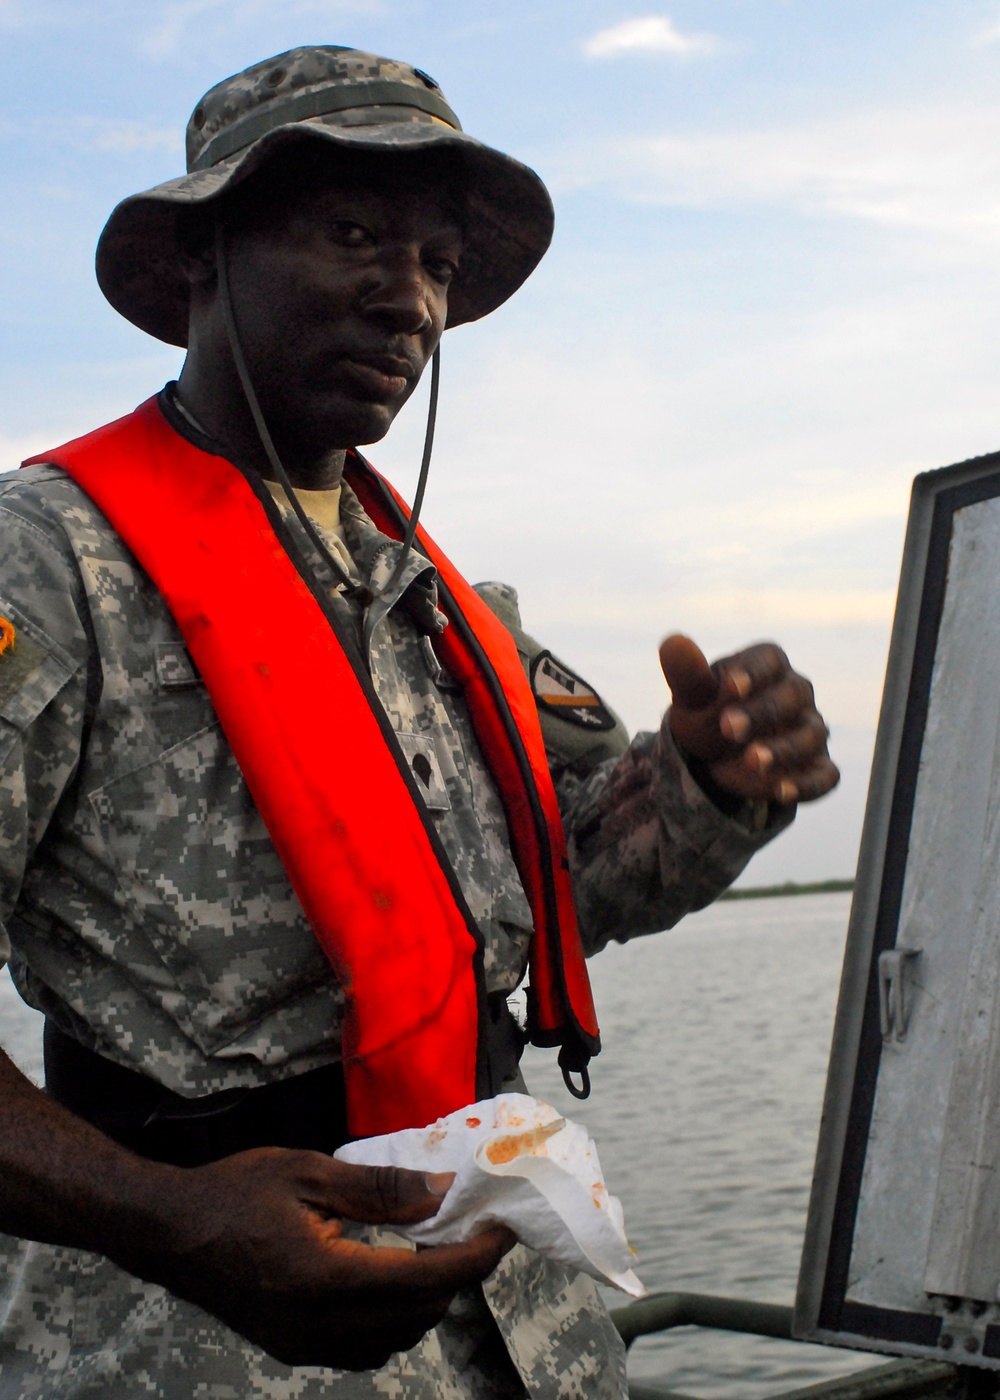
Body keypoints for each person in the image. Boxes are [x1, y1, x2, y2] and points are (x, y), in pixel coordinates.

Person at [0, 45, 838, 1400]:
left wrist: (706, 781)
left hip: (516, 1319)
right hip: (187, 1339)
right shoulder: (46, 566)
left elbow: (575, 887)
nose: (411, 303)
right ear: (203, 254)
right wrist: (162, 1219)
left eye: (439, 263)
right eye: (350, 236)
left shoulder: (453, 607)